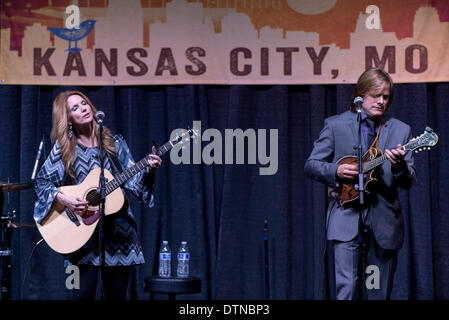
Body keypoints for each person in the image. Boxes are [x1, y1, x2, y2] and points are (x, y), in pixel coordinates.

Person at [33, 90, 162, 300]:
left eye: (84, 103)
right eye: (74, 108)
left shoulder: (114, 143)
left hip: (120, 235)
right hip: (84, 237)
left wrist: (148, 171)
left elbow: (134, 185)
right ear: (68, 119)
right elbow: (42, 183)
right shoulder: (66, 148)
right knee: (83, 295)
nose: (83, 108)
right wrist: (64, 198)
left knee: (117, 296)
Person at [304, 68, 416, 300]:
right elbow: (311, 165)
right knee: (346, 291)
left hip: (384, 223)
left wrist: (398, 166)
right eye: (376, 95)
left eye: (386, 97)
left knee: (377, 292)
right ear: (361, 95)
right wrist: (336, 170)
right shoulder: (335, 125)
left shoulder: (400, 130)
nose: (381, 101)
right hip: (345, 219)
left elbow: (408, 180)